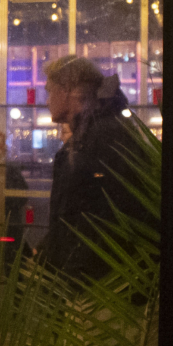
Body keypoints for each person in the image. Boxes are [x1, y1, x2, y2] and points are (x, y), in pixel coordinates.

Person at [34, 57, 152, 287]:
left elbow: (92, 216)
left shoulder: (98, 139)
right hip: (105, 281)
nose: (46, 100)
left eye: (49, 91)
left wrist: (70, 272)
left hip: (99, 287)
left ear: (66, 90)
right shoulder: (100, 132)